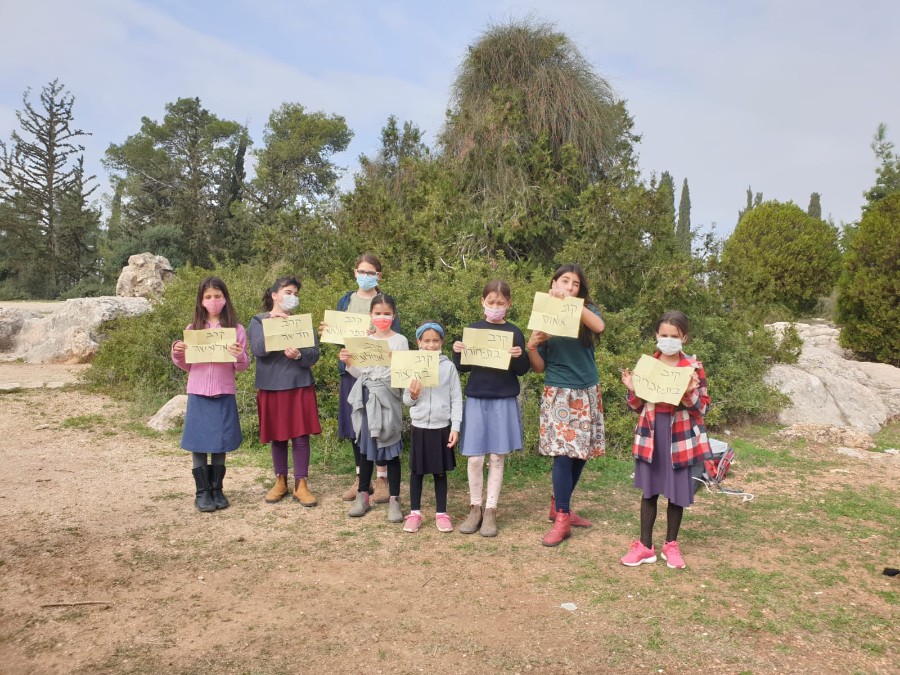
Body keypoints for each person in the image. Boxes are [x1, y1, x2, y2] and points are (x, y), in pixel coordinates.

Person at [619, 310, 712, 569]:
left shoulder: (693, 368)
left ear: (684, 337)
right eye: (664, 335)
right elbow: (637, 406)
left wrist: (689, 393)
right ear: (656, 336)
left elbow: (702, 409)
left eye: (674, 336)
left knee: (676, 493)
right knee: (649, 491)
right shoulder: (648, 365)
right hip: (651, 436)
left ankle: (671, 545)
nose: (668, 340)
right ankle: (645, 546)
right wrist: (632, 390)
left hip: (679, 438)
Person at [526, 264, 606, 547]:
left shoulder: (587, 310)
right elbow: (538, 368)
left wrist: (572, 302)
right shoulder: (545, 313)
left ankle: (559, 504)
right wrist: (531, 346)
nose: (570, 287)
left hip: (587, 389)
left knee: (581, 453)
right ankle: (562, 517)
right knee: (562, 453)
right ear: (553, 282)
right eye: (564, 281)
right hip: (559, 390)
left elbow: (600, 326)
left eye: (575, 283)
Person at [452, 280, 530, 537]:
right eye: (491, 302)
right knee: (475, 458)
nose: (495, 307)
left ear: (508, 304)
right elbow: (463, 368)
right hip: (476, 397)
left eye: (500, 303)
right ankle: (474, 507)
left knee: (497, 457)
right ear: (482, 302)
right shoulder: (473, 330)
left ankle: (491, 510)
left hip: (503, 399)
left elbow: (521, 370)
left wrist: (519, 356)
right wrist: (457, 351)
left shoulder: (514, 331)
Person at [324, 253, 400, 504]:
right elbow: (338, 338)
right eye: (362, 271)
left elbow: (394, 341)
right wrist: (329, 332)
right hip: (352, 372)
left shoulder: (384, 303)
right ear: (354, 272)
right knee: (357, 427)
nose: (366, 276)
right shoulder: (345, 300)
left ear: (378, 275)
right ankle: (360, 479)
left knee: (380, 425)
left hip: (379, 378)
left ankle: (381, 479)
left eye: (371, 273)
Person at [171, 276, 249, 512]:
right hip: (198, 392)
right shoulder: (192, 329)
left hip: (224, 392)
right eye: (208, 297)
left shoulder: (236, 329)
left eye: (217, 296)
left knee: (220, 443)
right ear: (201, 300)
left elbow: (242, 366)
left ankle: (217, 490)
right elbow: (186, 365)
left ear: (225, 299)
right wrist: (177, 352)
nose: (213, 301)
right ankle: (201, 493)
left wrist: (239, 354)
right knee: (198, 443)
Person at [249, 277, 321, 507]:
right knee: (277, 437)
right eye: (288, 291)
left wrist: (299, 355)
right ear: (274, 295)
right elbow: (258, 349)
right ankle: (280, 481)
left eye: (296, 293)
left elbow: (314, 354)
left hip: (299, 383)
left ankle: (302, 484)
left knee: (301, 437)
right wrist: (272, 322)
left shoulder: (302, 323)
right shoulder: (258, 321)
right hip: (271, 385)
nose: (292, 296)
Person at [339, 293, 408, 522]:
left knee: (391, 449)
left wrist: (396, 360)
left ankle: (395, 500)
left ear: (393, 315)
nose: (382, 317)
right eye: (377, 313)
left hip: (389, 399)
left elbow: (404, 376)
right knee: (365, 449)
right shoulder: (364, 341)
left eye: (386, 313)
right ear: (370, 315)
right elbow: (361, 373)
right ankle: (362, 497)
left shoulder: (400, 341)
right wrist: (349, 362)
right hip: (367, 397)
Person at [402, 322, 463, 533]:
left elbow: (456, 398)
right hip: (419, 426)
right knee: (416, 472)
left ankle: (441, 513)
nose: (430, 345)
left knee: (440, 472)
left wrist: (455, 427)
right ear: (418, 342)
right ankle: (415, 513)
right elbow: (406, 401)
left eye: (435, 340)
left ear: (441, 343)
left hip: (441, 426)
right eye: (426, 340)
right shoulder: (410, 365)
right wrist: (413, 395)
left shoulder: (448, 367)